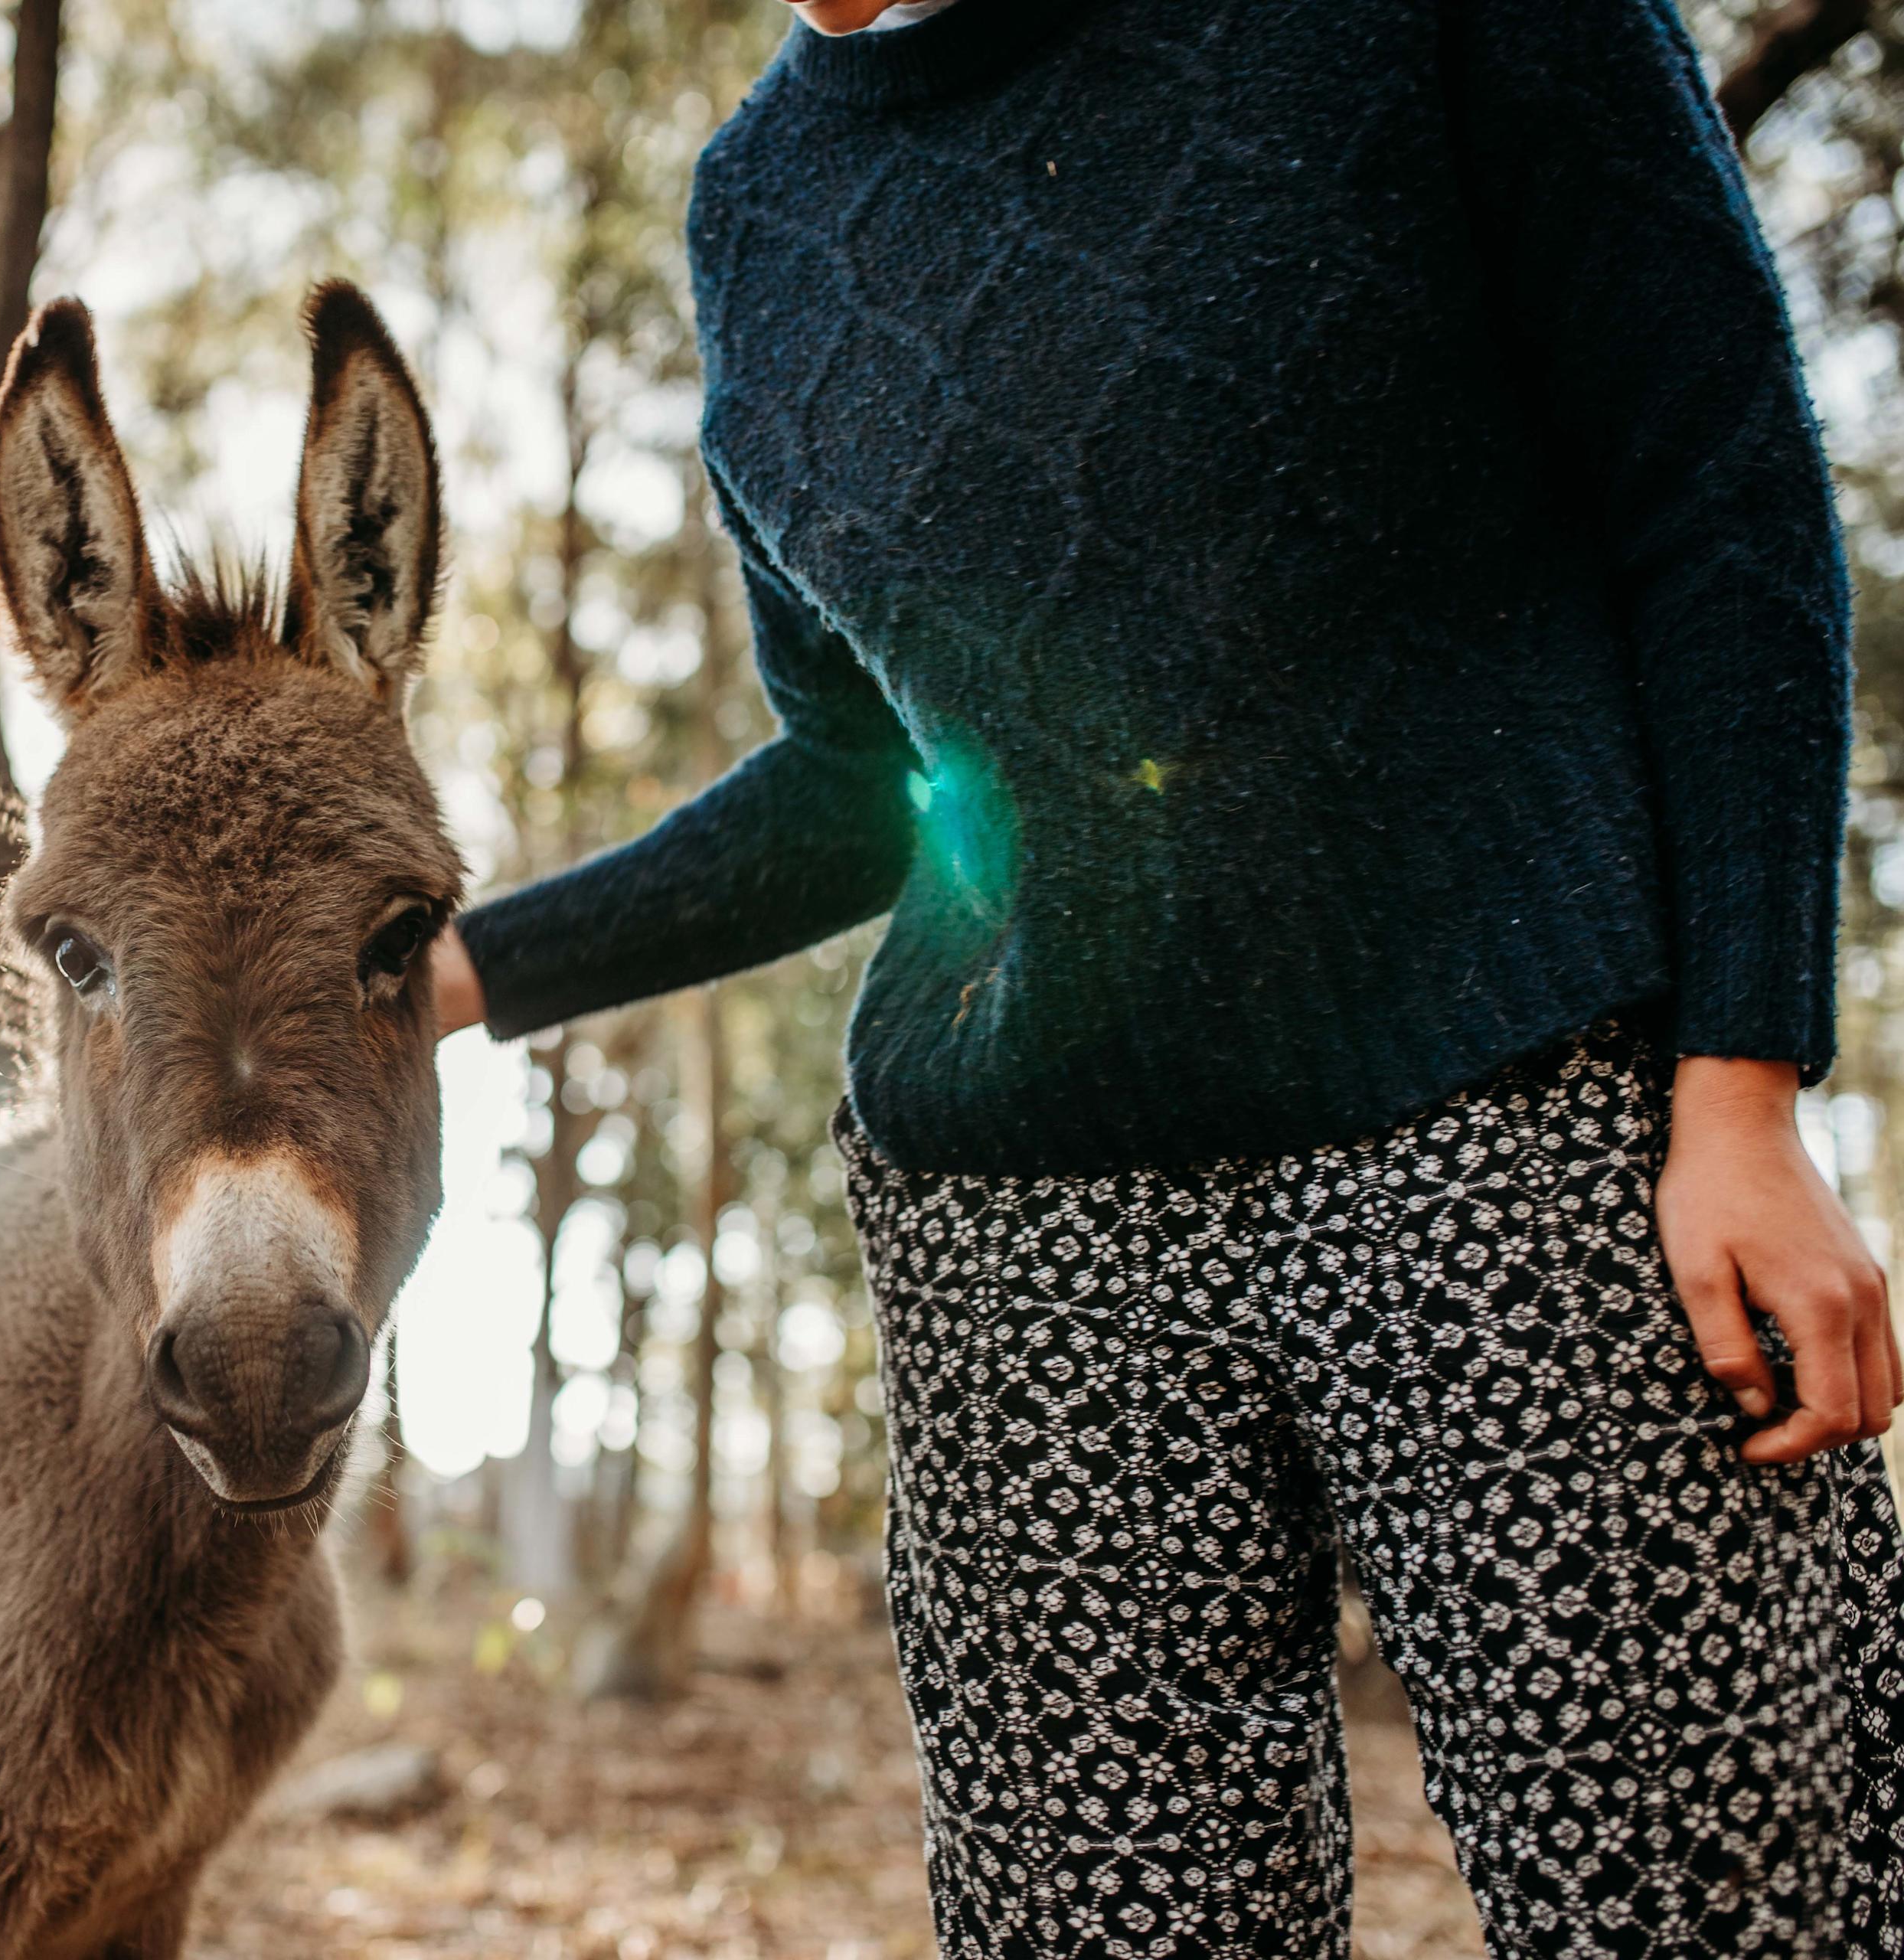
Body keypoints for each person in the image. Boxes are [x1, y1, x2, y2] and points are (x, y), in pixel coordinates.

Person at [426, 0, 1904, 1952]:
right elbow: (869, 771)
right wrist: (446, 974)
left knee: (1732, 1903)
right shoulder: (758, 203)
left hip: (1521, 1133)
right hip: (1025, 1246)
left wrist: (1742, 1081)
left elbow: (1714, 489)